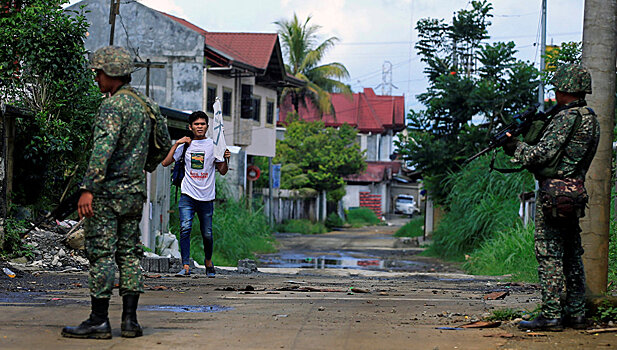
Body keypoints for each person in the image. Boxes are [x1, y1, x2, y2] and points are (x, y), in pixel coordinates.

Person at [62, 46, 155, 339]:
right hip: (133, 195)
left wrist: (87, 189)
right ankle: (130, 321)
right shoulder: (146, 105)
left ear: (111, 74)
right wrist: (141, 165)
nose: (96, 78)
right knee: (129, 254)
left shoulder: (112, 106)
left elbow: (102, 150)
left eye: (99, 73)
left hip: (106, 196)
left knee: (101, 254)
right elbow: (163, 146)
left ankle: (99, 320)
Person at [502, 64, 600, 331]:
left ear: (566, 89)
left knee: (549, 254)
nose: (555, 92)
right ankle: (576, 313)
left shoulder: (566, 118)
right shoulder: (591, 118)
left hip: (555, 195)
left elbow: (540, 155)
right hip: (575, 192)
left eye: (558, 87)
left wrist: (514, 146)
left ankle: (551, 314)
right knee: (571, 253)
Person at [161, 111, 230, 277]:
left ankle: (208, 261)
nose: (200, 127)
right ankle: (185, 265)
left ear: (207, 126)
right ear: (190, 127)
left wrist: (227, 159)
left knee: (207, 233)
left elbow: (222, 171)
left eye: (203, 124)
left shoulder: (214, 145)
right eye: (196, 124)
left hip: (206, 197)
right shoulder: (186, 145)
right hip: (187, 194)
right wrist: (176, 143)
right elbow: (165, 162)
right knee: (185, 228)